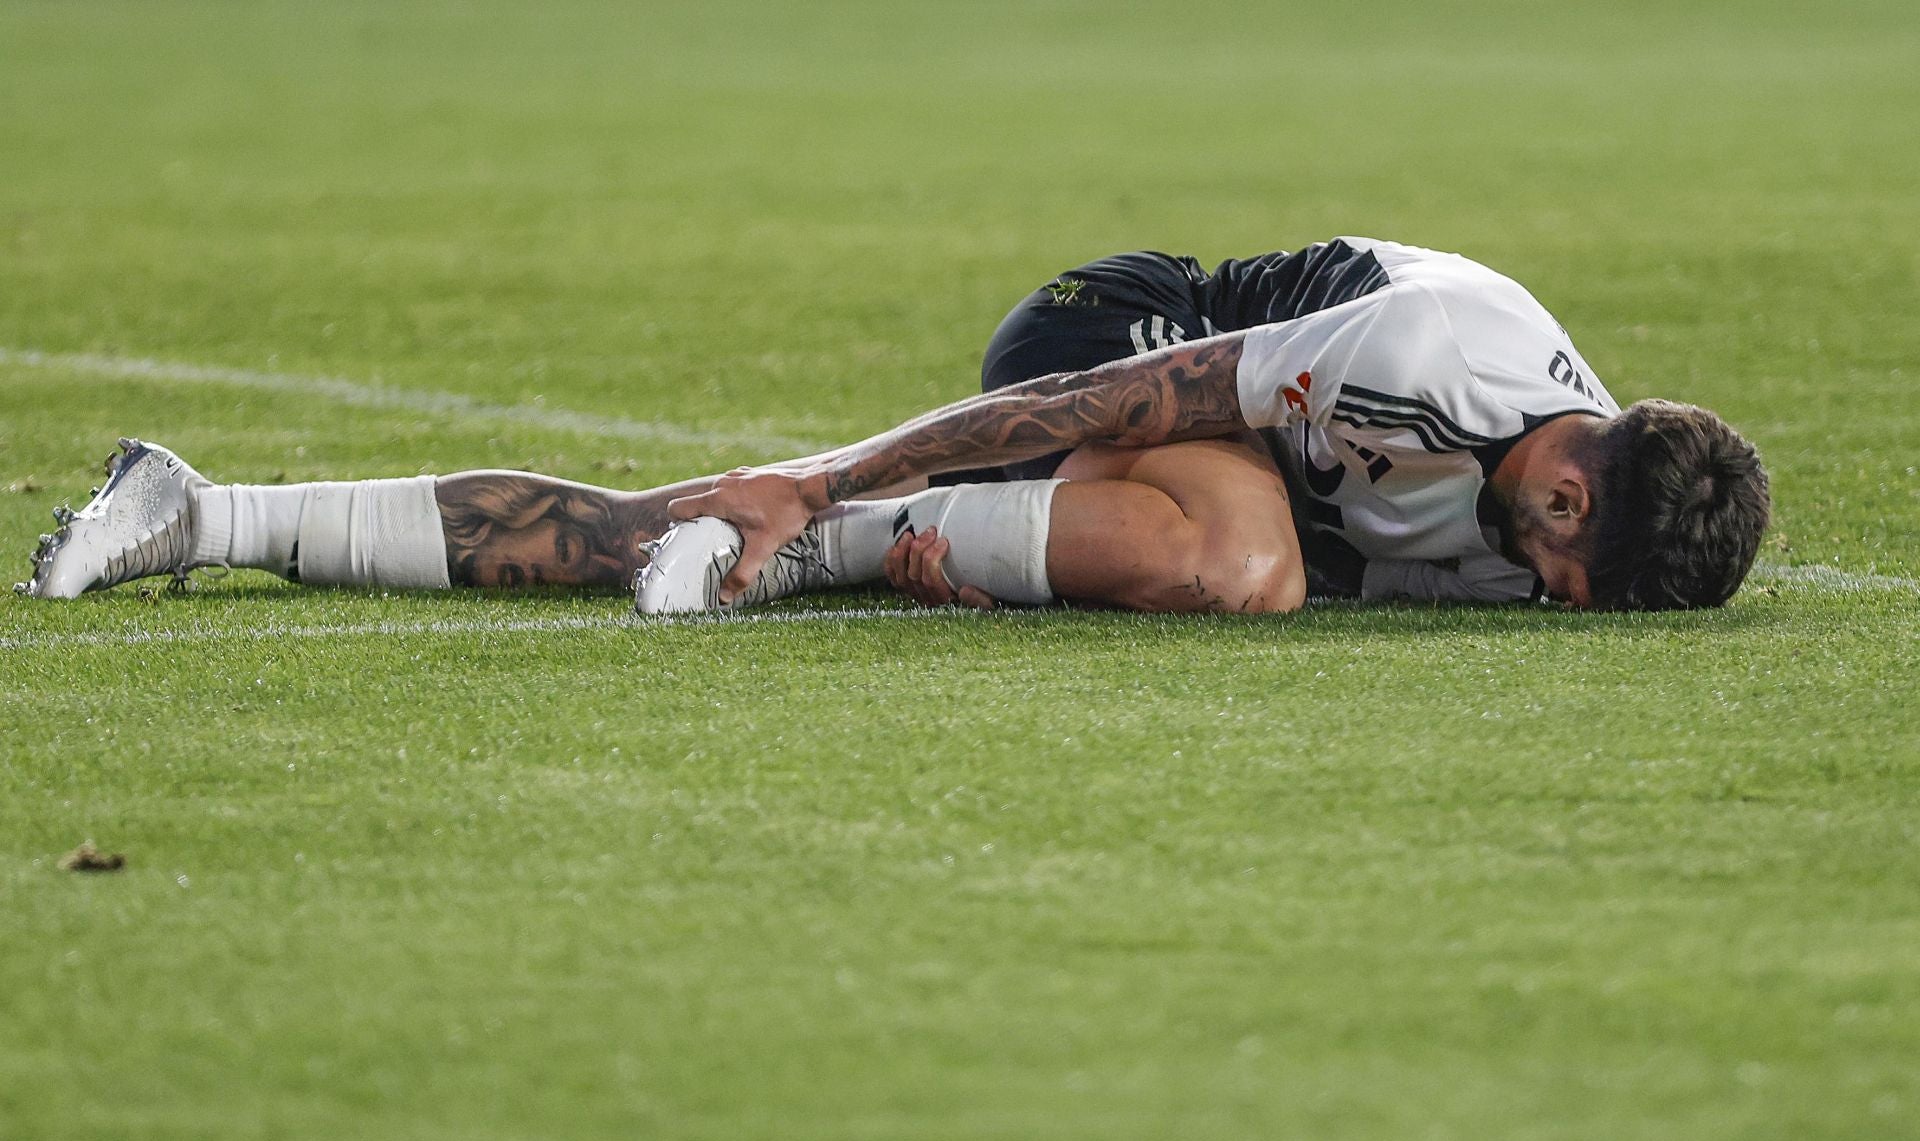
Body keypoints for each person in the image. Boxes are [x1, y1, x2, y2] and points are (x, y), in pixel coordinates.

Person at [17, 237, 1770, 613]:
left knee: (642, 534)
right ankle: (827, 540)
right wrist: (835, 477)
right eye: (1559, 540)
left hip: (1228, 471)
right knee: (1247, 566)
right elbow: (1109, 396)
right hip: (1120, 340)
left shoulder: (1585, 527)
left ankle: (209, 511)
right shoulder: (1447, 350)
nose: (1553, 588)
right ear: (1571, 455)